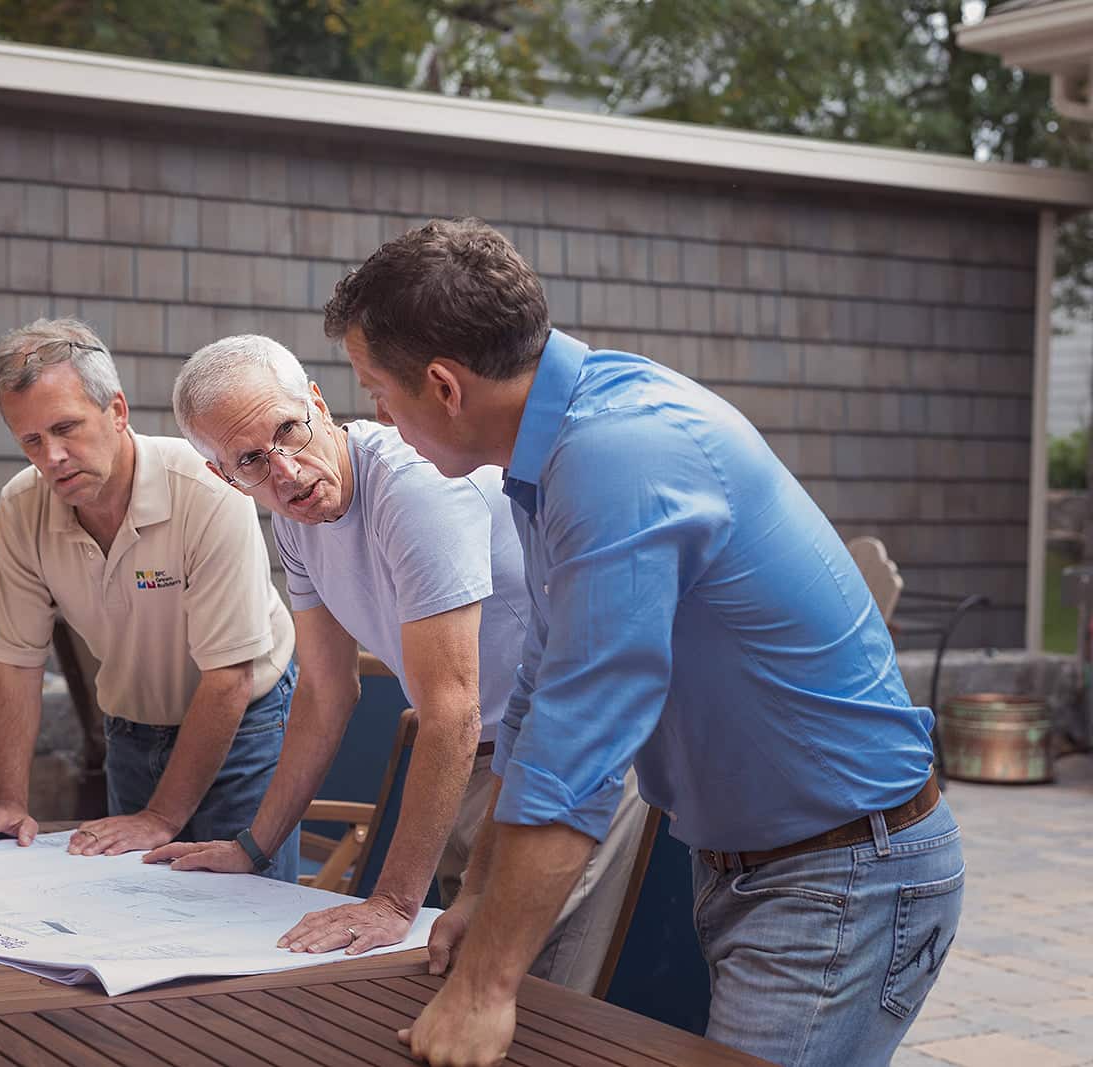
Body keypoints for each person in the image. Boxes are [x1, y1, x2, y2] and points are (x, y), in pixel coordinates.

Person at [325, 219, 962, 1067]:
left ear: (443, 385)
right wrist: (477, 890)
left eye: (376, 391)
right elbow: (541, 695)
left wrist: (484, 988)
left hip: (844, 873)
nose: (377, 417)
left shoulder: (616, 455)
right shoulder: (553, 446)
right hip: (771, 861)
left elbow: (579, 749)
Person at [150, 334, 648, 986]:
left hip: (567, 740)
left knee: (520, 995)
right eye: (250, 460)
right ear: (223, 475)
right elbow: (326, 692)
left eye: (290, 431)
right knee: (445, 973)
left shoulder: (411, 486)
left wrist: (390, 901)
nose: (287, 472)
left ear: (319, 404)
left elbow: (450, 708)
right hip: (468, 762)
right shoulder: (295, 520)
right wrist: (253, 846)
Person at [0, 318, 300, 883]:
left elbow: (228, 676)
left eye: (66, 427)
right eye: (31, 440)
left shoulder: (208, 490)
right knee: (133, 917)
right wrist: (9, 802)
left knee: (243, 926)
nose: (52, 455)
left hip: (247, 724)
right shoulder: (21, 507)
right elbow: (13, 660)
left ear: (118, 412)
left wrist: (161, 816)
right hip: (130, 729)